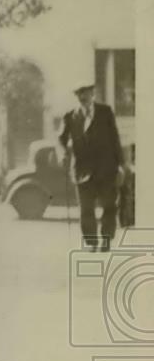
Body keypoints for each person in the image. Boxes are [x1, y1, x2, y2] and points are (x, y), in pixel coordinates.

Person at [57, 80, 124, 252]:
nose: (82, 96)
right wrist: (64, 150)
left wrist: (121, 166)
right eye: (79, 93)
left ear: (92, 93)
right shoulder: (70, 116)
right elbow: (61, 139)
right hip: (81, 170)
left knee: (109, 206)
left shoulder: (105, 112)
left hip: (106, 169)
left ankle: (107, 240)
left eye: (85, 92)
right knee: (86, 209)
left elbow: (115, 139)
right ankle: (92, 242)